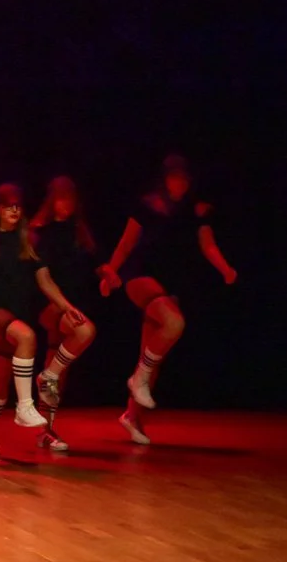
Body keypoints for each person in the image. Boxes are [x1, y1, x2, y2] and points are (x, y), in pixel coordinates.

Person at [99, 154, 237, 443]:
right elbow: (127, 244)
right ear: (164, 179)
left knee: (152, 355)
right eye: (174, 178)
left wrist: (225, 269)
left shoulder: (196, 211)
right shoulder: (147, 205)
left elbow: (207, 245)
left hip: (170, 283)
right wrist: (110, 271)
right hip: (140, 277)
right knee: (173, 323)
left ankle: (132, 417)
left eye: (184, 178)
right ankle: (137, 381)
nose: (179, 184)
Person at [0, 184, 83, 460]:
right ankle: (25, 405)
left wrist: (66, 306)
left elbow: (45, 280)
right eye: (8, 206)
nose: (14, 210)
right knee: (26, 337)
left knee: (0, 376)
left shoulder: (30, 241)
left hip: (16, 313)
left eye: (18, 206)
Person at [29, 176, 103, 451]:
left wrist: (106, 274)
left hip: (73, 301)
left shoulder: (78, 230)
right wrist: (64, 306)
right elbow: (43, 279)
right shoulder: (41, 232)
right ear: (51, 200)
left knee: (58, 368)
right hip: (49, 304)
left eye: (70, 198)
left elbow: (94, 262)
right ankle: (48, 377)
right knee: (84, 331)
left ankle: (45, 431)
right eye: (60, 198)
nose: (65, 204)